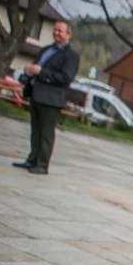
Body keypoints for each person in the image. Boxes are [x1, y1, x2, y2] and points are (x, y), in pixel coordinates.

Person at [12, 21, 79, 176]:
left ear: (68, 35)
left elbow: (65, 78)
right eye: (55, 30)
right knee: (35, 131)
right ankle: (32, 159)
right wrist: (30, 70)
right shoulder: (46, 50)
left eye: (60, 31)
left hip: (51, 99)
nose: (56, 33)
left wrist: (41, 72)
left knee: (46, 134)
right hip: (36, 94)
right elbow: (37, 68)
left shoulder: (71, 56)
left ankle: (42, 165)